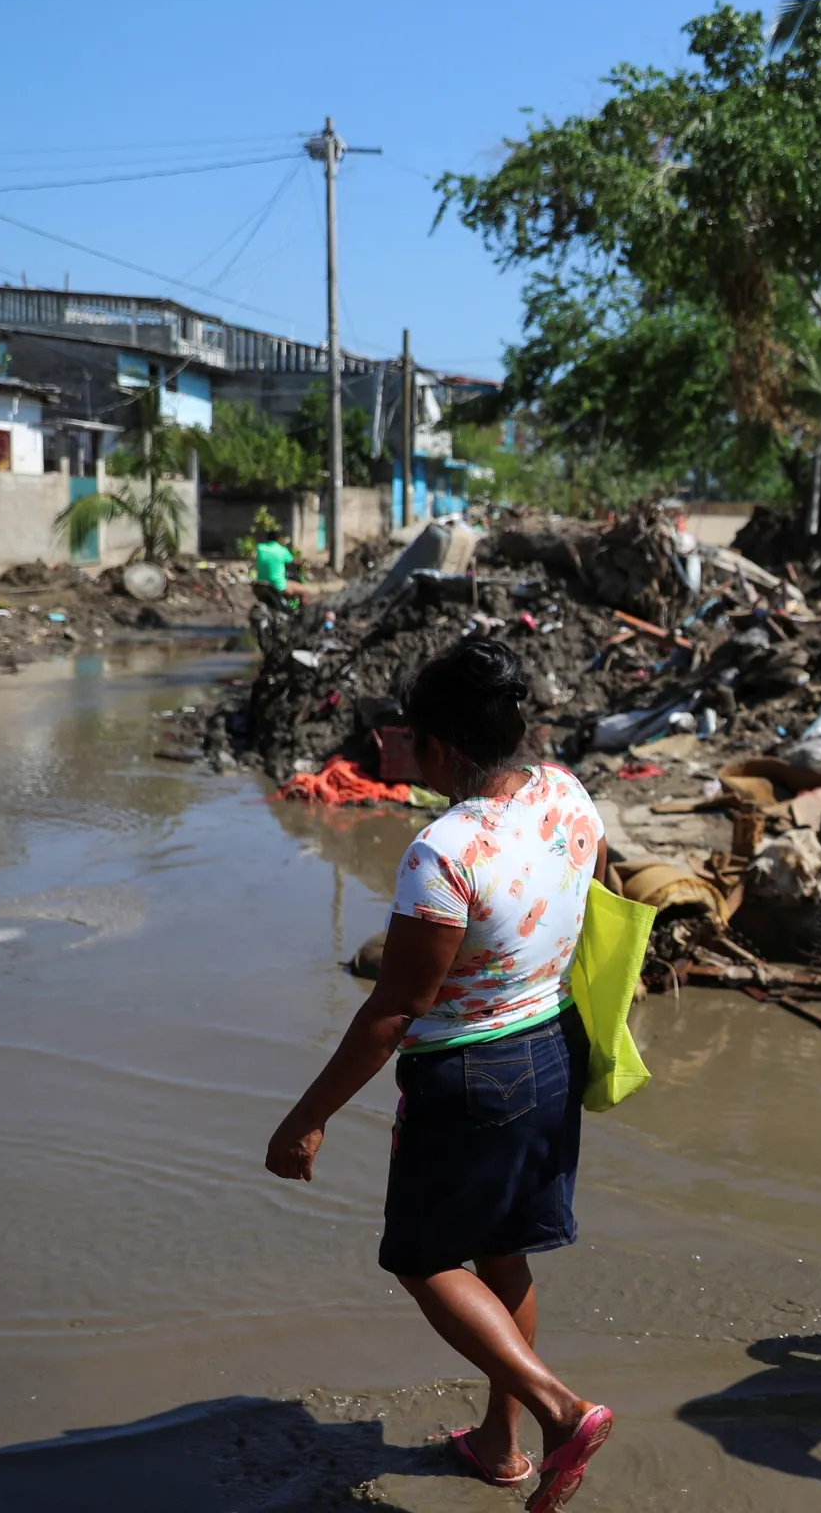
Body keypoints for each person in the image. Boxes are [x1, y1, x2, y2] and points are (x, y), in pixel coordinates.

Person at [265, 639, 614, 1507]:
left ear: (443, 751)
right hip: (553, 1051)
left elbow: (393, 1010)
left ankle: (560, 1411)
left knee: (422, 1258)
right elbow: (590, 898)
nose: (404, 751)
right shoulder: (566, 793)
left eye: (412, 738)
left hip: (471, 1077)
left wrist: (306, 1117)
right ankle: (500, 1447)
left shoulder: (444, 849)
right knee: (502, 1253)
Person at [251, 533, 298, 611]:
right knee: (305, 592)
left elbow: (254, 558)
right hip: (277, 584)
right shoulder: (282, 550)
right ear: (279, 539)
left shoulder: (259, 548)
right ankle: (299, 618)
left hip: (260, 583)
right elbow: (292, 561)